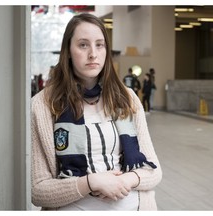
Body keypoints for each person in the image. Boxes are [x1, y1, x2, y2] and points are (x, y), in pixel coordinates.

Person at [31, 13, 162, 211]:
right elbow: (38, 191)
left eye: (99, 45)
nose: (93, 54)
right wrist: (91, 182)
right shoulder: (42, 104)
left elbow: (153, 171)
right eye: (83, 45)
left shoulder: (126, 98)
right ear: (67, 51)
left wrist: (127, 179)